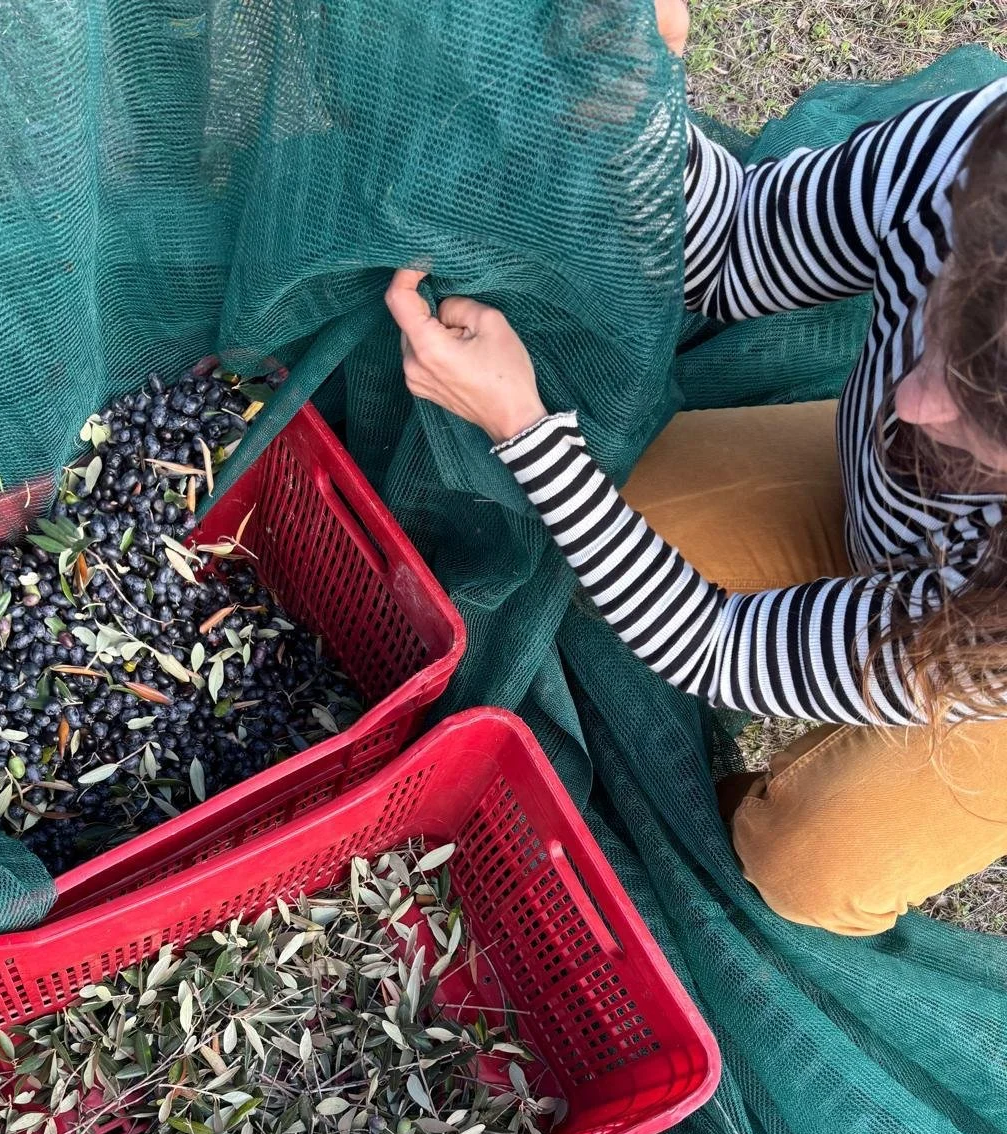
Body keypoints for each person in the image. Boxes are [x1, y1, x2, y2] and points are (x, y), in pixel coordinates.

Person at [385, 1, 1007, 937]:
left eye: (980, 421)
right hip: (873, 510)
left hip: (984, 649)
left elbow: (719, 646)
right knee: (614, 527)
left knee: (812, 863)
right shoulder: (972, 166)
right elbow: (734, 249)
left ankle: (757, 816)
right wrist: (642, 99)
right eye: (937, 332)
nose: (910, 402)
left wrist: (526, 430)